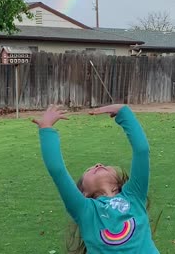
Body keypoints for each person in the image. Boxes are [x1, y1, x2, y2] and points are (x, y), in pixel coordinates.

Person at [33, 104, 159, 254]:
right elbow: (57, 170)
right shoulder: (84, 210)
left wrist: (123, 112)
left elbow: (142, 150)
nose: (98, 165)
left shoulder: (134, 196)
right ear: (83, 192)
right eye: (89, 169)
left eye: (104, 164)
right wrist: (46, 129)